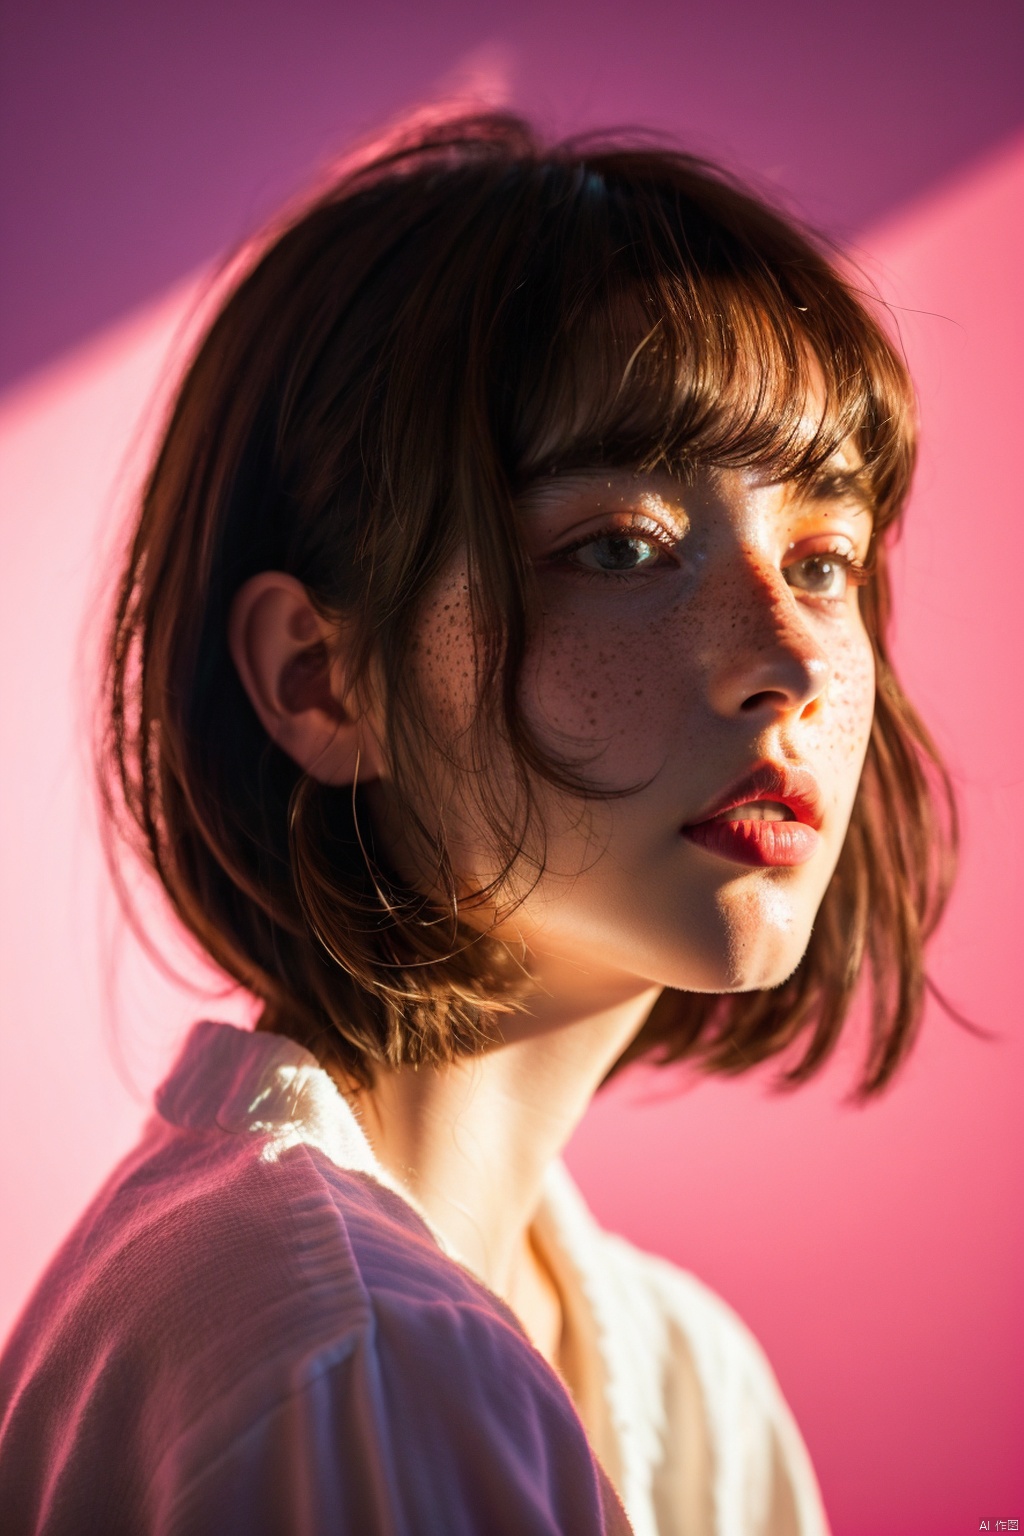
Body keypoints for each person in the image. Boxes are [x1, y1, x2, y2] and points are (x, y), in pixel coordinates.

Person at [0, 111, 955, 1535]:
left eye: (823, 557)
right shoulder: (344, 1363)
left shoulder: (692, 1389)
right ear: (322, 679)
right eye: (623, 546)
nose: (794, 661)